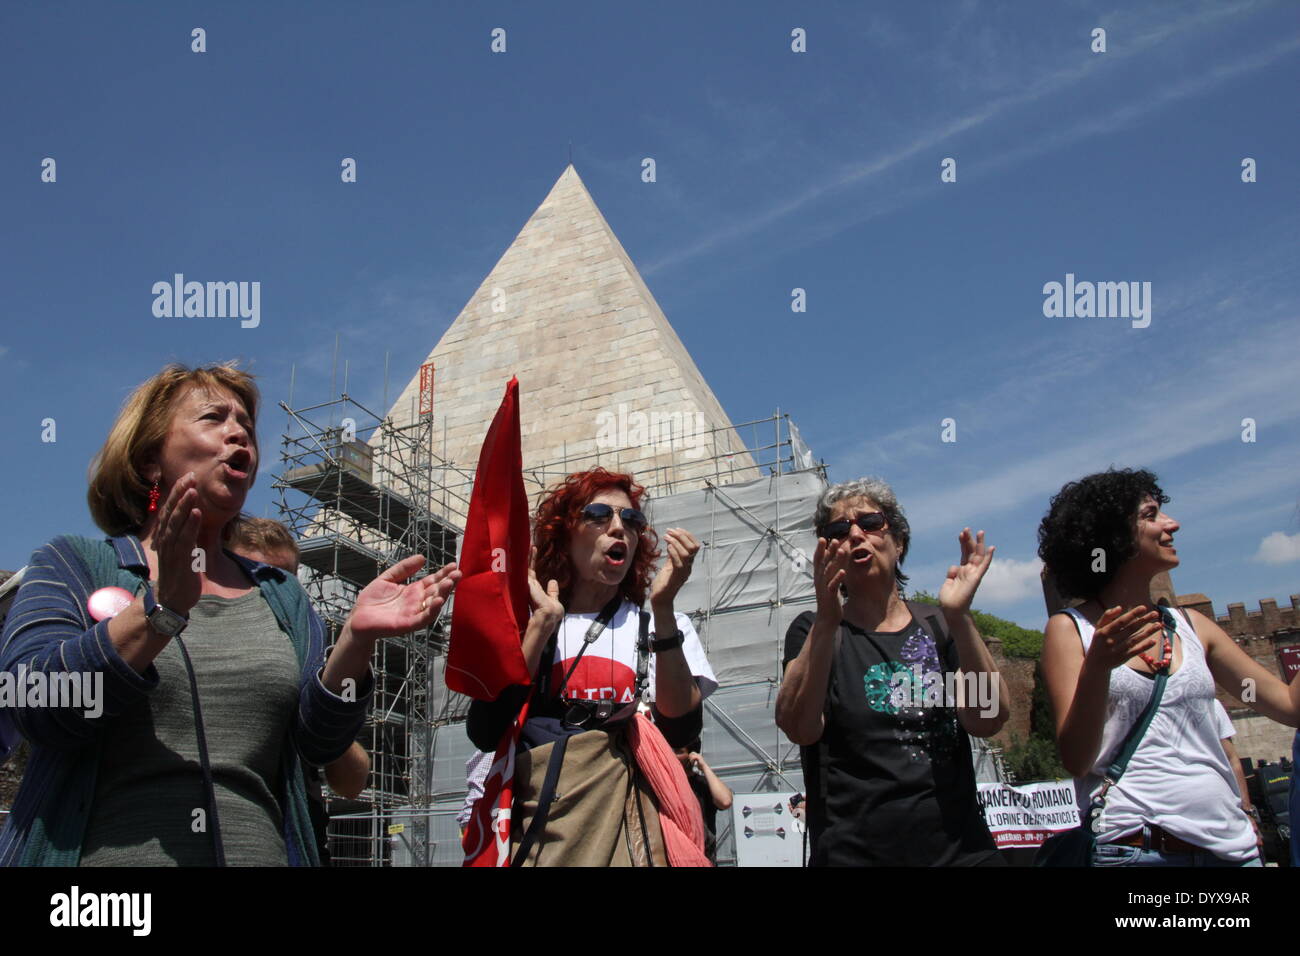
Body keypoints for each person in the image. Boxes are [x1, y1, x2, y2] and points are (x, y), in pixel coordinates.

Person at [0, 363, 458, 866]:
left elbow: (317, 746)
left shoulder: (281, 595)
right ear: (151, 460)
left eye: (246, 424)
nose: (238, 431)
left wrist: (355, 641)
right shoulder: (74, 563)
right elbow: (33, 704)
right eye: (213, 417)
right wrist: (159, 611)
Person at [1038, 468, 1300, 866]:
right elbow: (1077, 759)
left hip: (1233, 850)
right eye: (1151, 514)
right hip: (1137, 849)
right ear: (1112, 535)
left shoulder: (1194, 627)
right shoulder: (1071, 630)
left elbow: (1288, 706)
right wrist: (1098, 668)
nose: (1170, 524)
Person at [465, 468, 717, 866]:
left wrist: (664, 610)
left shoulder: (660, 625)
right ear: (564, 534)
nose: (619, 528)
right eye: (599, 515)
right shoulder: (533, 623)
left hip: (636, 836)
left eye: (631, 520)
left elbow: (680, 731)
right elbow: (484, 731)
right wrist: (539, 629)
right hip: (547, 834)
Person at [776, 477, 1008, 866]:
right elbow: (799, 727)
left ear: (898, 542)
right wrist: (826, 622)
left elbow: (987, 720)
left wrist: (960, 617)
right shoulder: (813, 630)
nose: (854, 534)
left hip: (962, 855)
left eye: (869, 523)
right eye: (838, 530)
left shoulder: (940, 625)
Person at [228, 516, 373, 865]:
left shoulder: (306, 654)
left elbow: (351, 782)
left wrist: (318, 717)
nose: (276, 596)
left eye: (286, 583)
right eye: (259, 578)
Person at [675, 740, 733, 864]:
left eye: (679, 751)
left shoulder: (701, 784)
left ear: (691, 755)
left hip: (703, 857)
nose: (673, 755)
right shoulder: (665, 785)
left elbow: (725, 801)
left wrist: (704, 766)